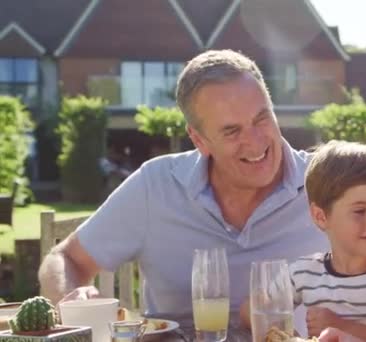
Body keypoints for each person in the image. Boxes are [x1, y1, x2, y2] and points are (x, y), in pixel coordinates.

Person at [37, 50, 329, 337]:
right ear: (199, 139)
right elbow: (65, 259)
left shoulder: (327, 184)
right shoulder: (156, 186)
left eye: (261, 118)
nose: (254, 142)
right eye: (231, 131)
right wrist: (72, 299)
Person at [241, 140, 366, 341]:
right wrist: (291, 338)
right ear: (321, 217)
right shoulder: (304, 272)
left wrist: (342, 326)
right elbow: (250, 310)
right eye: (360, 211)